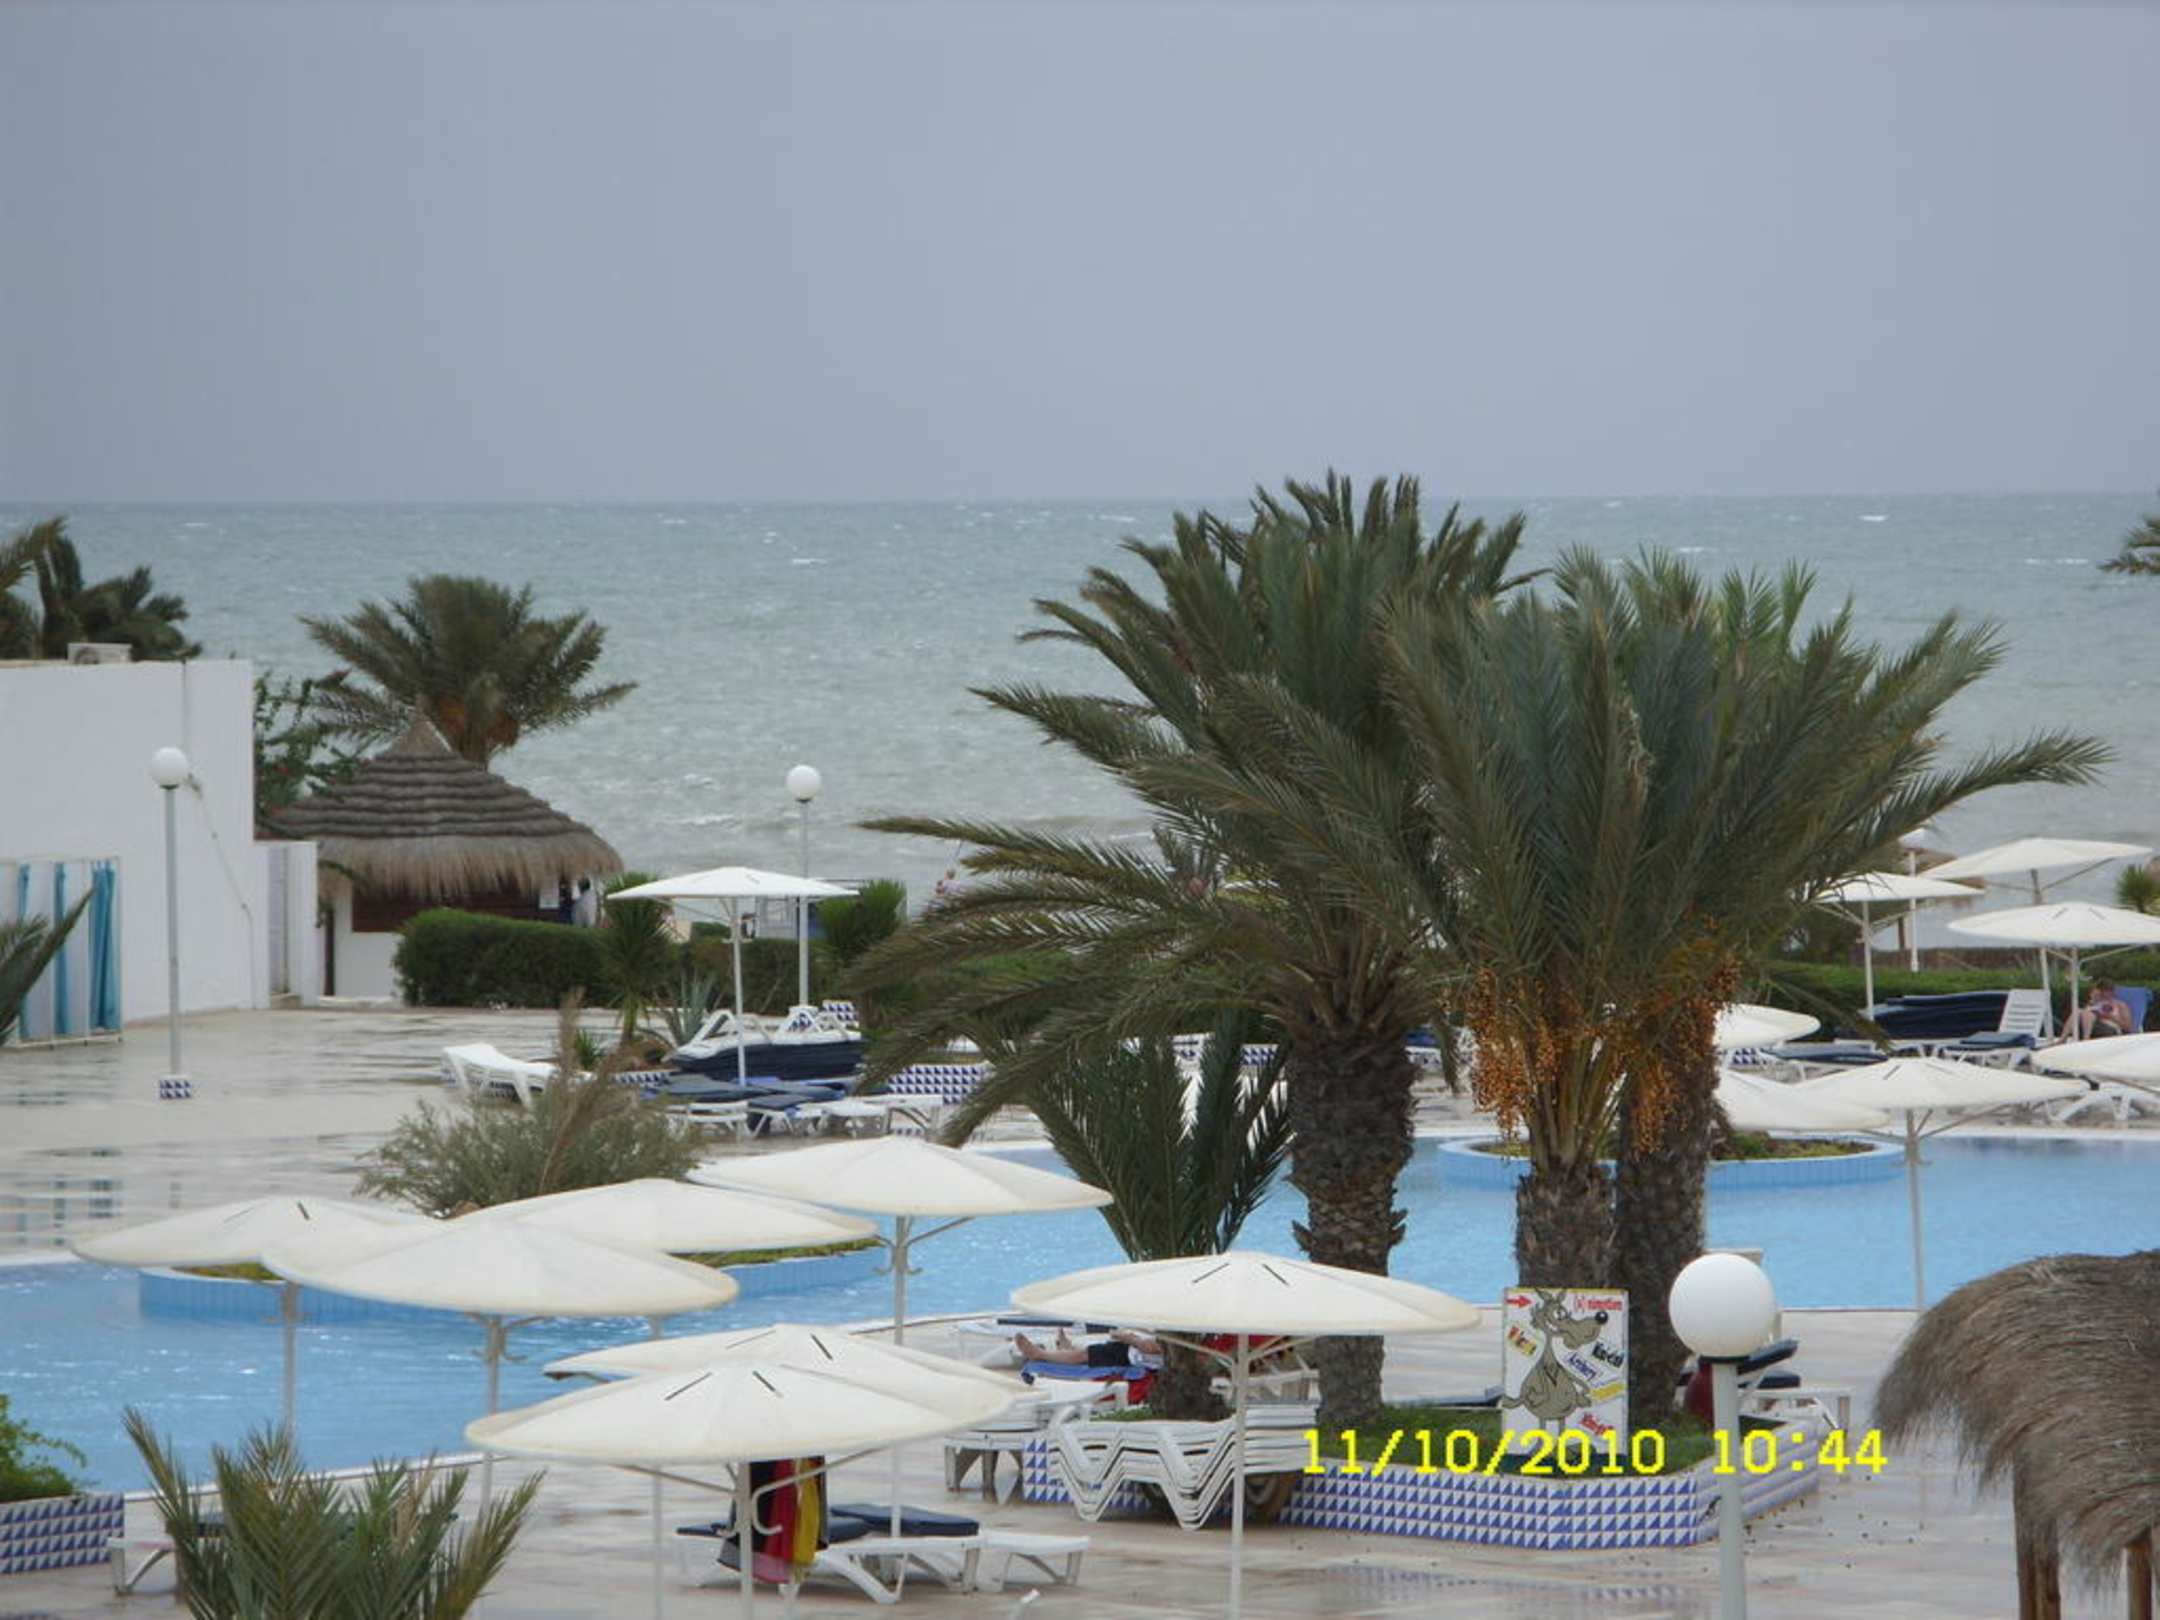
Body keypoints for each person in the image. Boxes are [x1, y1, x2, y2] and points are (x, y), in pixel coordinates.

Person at [1012, 1327, 1163, 1370]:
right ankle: (1067, 1349)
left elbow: (1148, 1347)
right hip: (1130, 1351)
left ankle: (1039, 1354)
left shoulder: (1172, 1348)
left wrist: (1125, 1336)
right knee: (1089, 1349)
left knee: (1083, 1356)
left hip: (1128, 1355)